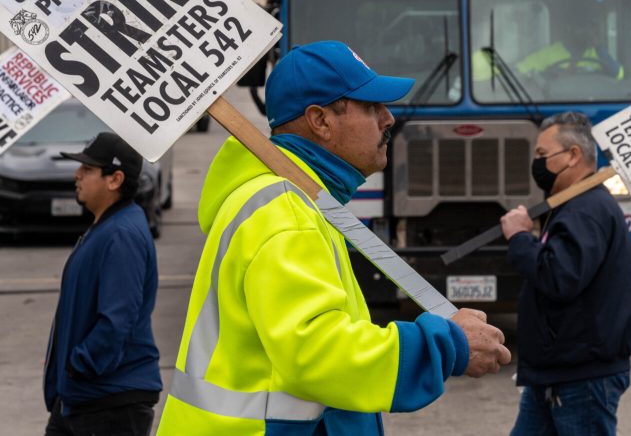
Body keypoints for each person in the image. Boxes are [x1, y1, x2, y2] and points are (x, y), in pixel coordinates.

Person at [157, 40, 511, 435]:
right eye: (372, 107)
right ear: (320, 121)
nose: (389, 118)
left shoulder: (293, 200)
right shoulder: (285, 210)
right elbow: (317, 352)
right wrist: (448, 345)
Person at [500, 111, 631, 436]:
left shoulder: (586, 210)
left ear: (573, 155)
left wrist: (521, 239)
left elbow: (559, 278)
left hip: (580, 378)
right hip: (556, 373)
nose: (537, 164)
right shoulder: (575, 207)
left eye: (542, 155)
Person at [43, 132, 162, 436]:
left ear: (115, 179)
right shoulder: (108, 227)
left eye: (88, 169)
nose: (77, 174)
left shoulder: (121, 235)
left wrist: (80, 365)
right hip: (83, 395)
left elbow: (117, 318)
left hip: (109, 400)